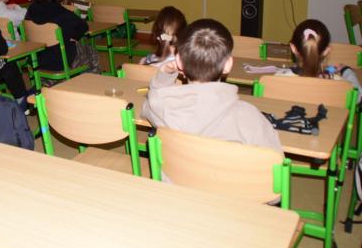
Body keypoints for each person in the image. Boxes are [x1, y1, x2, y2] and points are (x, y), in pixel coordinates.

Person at [142, 18, 282, 154]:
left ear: (179, 62)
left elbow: (151, 101)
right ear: (228, 65)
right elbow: (275, 162)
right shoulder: (251, 118)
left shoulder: (163, 108)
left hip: (176, 171)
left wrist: (164, 76)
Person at [25, 0, 100, 75]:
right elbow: (83, 26)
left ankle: (49, 81)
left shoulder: (31, 8)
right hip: (59, 61)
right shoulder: (62, 13)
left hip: (36, 59)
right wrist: (75, 37)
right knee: (91, 52)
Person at [287, 19, 361, 98]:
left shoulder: (282, 78)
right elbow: (358, 95)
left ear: (293, 48)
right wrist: (347, 71)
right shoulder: (339, 85)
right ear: (326, 51)